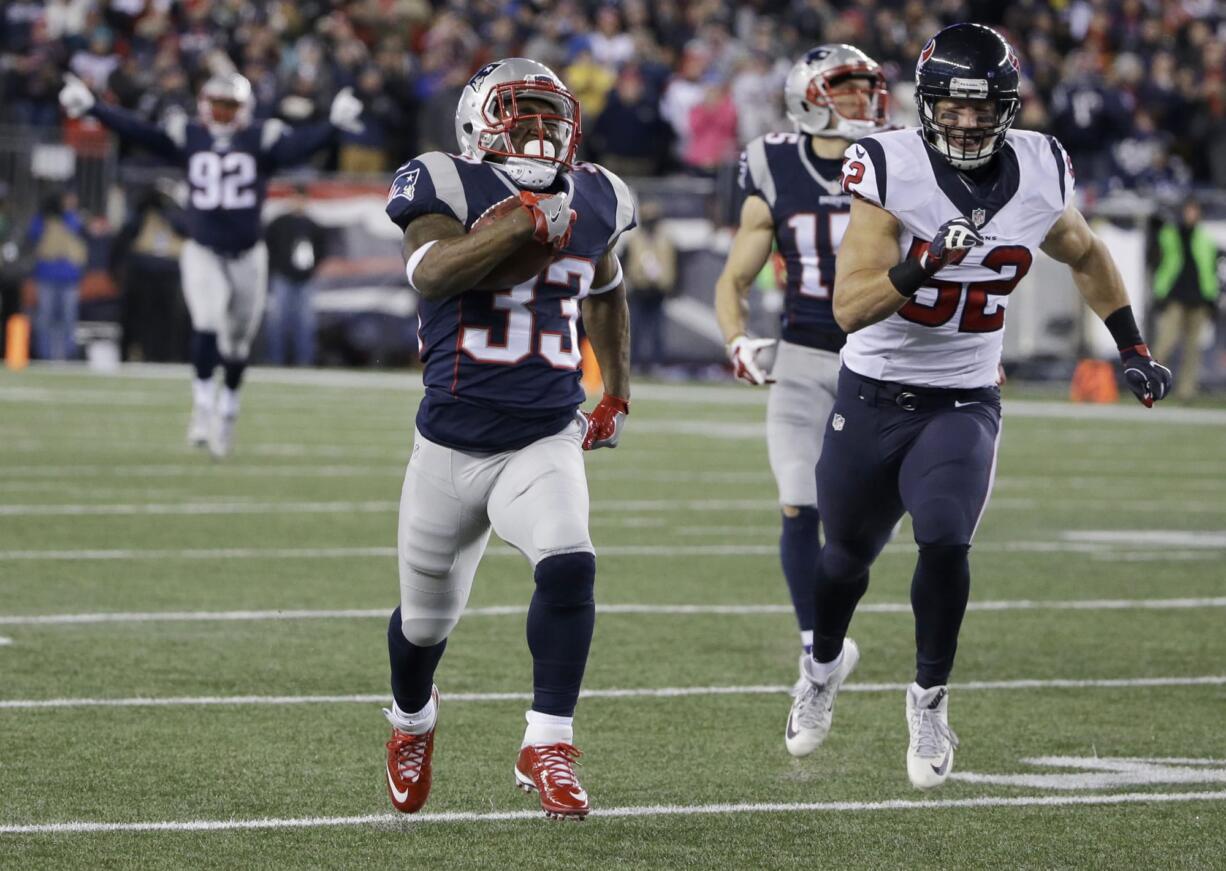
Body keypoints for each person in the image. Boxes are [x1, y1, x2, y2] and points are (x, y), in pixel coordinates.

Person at [789, 23, 1173, 790]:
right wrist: (923, 260)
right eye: (951, 107)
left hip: (963, 395)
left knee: (945, 540)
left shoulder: (1039, 166)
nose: (965, 122)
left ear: (1008, 106)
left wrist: (1130, 346)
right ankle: (821, 664)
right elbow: (850, 306)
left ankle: (928, 698)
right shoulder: (890, 166)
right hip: (871, 393)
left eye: (981, 108)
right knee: (842, 561)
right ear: (926, 104)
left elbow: (1086, 251)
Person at [380, 58, 635, 820]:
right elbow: (429, 273)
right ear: (476, 123)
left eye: (550, 118)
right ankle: (411, 721)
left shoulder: (598, 193)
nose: (538, 132)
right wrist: (519, 222)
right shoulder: (445, 181)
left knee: (570, 562)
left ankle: (547, 739)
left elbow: (608, 286)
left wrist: (615, 389)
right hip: (450, 444)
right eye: (519, 116)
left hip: (542, 435)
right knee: (424, 624)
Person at [58, 71, 363, 455]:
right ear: (204, 104)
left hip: (248, 255)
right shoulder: (190, 136)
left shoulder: (259, 138)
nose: (220, 113)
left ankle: (228, 410)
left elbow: (296, 148)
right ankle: (202, 406)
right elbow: (140, 133)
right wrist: (94, 108)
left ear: (243, 108)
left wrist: (332, 126)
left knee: (237, 345)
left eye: (228, 105)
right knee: (206, 320)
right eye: (216, 104)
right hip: (203, 250)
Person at [713, 45, 889, 694]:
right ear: (809, 99)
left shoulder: (897, 157)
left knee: (862, 523)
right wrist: (737, 340)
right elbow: (734, 277)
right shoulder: (775, 164)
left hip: (884, 361)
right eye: (846, 91)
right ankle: (818, 648)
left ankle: (829, 625)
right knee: (797, 501)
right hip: (804, 355)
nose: (861, 103)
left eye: (866, 90)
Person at [1150, 196, 1220, 401]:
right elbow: (1158, 261)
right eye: (1188, 210)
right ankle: (1151, 385)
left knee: (1193, 349)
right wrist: (1160, 293)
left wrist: (1211, 298)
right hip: (1175, 296)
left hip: (1199, 298)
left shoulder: (1205, 239)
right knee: (1165, 343)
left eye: (1194, 210)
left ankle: (1186, 392)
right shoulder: (1170, 234)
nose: (1190, 214)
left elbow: (1209, 270)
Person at [264, 184, 328, 366]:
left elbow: (321, 250)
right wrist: (277, 267)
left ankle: (304, 362)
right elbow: (269, 246)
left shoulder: (313, 226)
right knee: (277, 322)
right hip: (282, 278)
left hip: (305, 280)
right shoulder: (279, 223)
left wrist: (311, 269)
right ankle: (274, 361)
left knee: (306, 324)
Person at [26, 191, 88, 361]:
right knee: (45, 317)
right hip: (47, 276)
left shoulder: (71, 218)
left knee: (68, 318)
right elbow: (33, 235)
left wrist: (64, 215)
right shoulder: (41, 220)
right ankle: (44, 355)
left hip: (68, 278)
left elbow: (79, 232)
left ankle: (68, 354)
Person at [624, 201, 677, 371]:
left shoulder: (666, 240)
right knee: (635, 330)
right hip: (639, 290)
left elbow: (674, 265)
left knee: (657, 331)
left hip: (658, 291)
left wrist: (671, 286)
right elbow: (624, 263)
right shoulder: (634, 240)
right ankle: (633, 364)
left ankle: (657, 363)